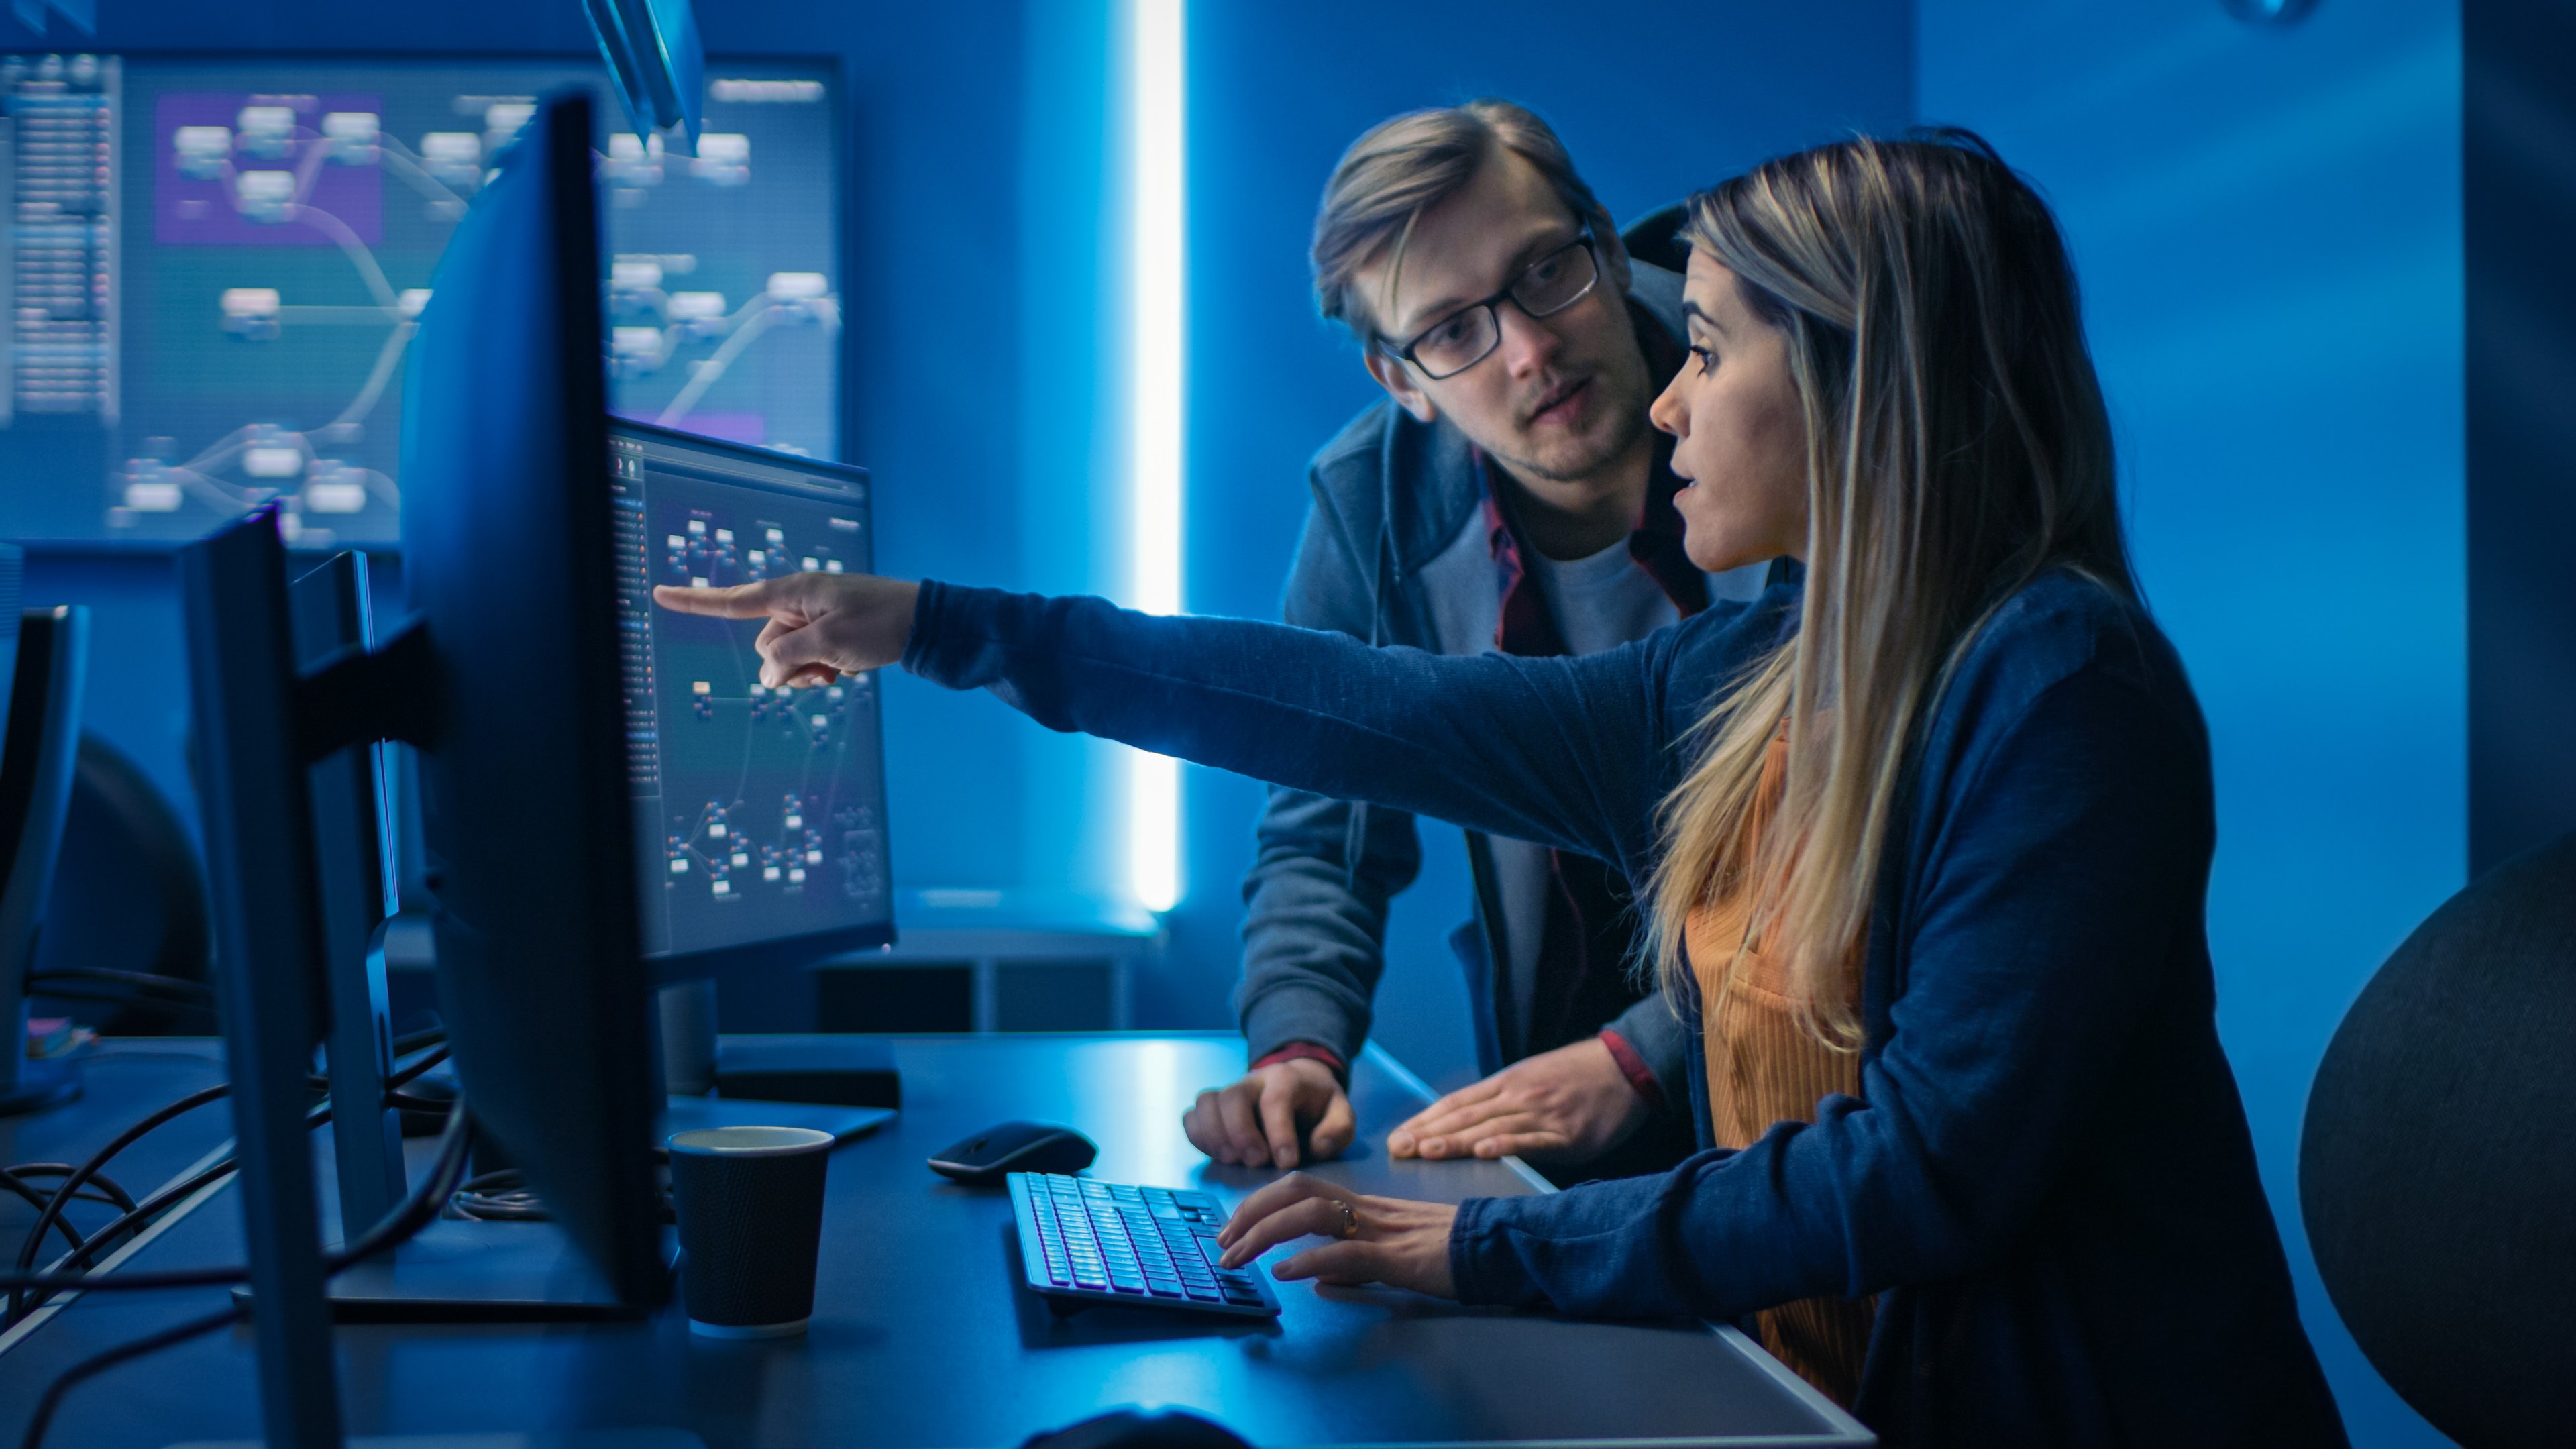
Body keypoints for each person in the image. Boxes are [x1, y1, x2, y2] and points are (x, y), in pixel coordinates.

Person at [657, 132, 2347, 1443]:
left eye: (1711, 348)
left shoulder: (2059, 688)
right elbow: (1356, 716)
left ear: (1857, 377)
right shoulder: (1769, 669)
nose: (1666, 394)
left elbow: (1918, 1173)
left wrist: (1480, 1250)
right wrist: (939, 624)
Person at [1194, 101, 1767, 1179]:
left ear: (1606, 243)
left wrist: (1647, 1053)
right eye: (1454, 330)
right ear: (1400, 380)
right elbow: (1326, 828)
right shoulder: (1373, 506)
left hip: (1816, 1079)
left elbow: (1870, 817)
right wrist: (1298, 1048)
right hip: (1560, 1089)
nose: (1532, 349)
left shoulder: (1781, 385)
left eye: (1547, 270)